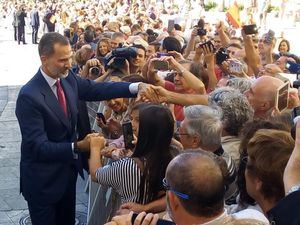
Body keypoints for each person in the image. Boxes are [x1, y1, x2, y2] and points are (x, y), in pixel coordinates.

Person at [15, 32, 149, 225]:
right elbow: (38, 147)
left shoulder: (68, 78)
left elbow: (96, 89)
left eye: (70, 57)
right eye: (62, 60)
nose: (69, 64)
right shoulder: (30, 96)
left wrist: (135, 87)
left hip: (67, 177)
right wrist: (79, 146)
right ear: (44, 59)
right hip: (42, 183)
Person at [89, 104, 174, 207]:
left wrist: (94, 147)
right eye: (132, 119)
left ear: (150, 129)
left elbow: (96, 175)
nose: (132, 125)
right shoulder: (174, 156)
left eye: (138, 120)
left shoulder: (128, 166)